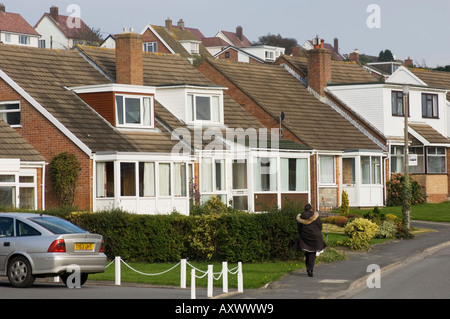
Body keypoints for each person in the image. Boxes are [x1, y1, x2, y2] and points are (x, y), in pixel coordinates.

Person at [296, 203, 326, 277]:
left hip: (305, 237)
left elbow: (299, 228)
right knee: (312, 253)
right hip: (315, 237)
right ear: (311, 209)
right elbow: (320, 226)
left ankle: (308, 268)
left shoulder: (301, 217)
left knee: (307, 252)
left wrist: (302, 235)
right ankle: (310, 269)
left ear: (304, 209)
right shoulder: (315, 216)